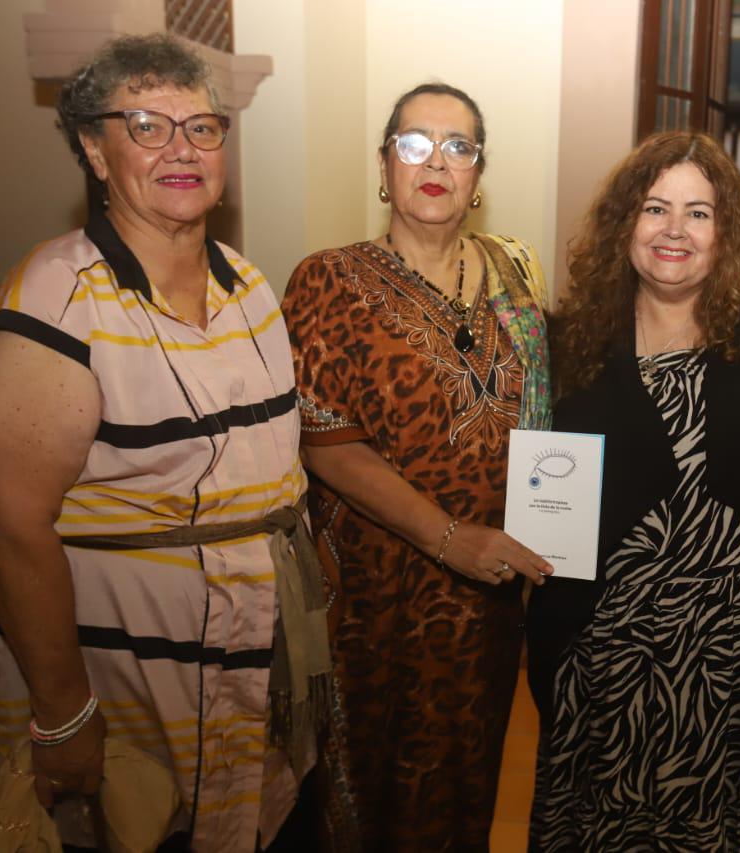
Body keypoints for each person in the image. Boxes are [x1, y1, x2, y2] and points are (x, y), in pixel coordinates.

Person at [0, 34, 335, 852]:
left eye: (202, 127)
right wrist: (64, 715)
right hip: (126, 681)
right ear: (94, 149)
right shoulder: (58, 301)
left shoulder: (247, 283)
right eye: (147, 127)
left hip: (248, 668)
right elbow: (8, 527)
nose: (181, 150)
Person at [525, 130, 740, 850]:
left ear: (726, 232)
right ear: (623, 223)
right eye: (655, 207)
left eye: (699, 213)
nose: (675, 229)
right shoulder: (564, 344)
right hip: (606, 664)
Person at [281, 82, 553, 850]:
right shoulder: (328, 279)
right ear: (384, 164)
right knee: (372, 790)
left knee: (464, 787)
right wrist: (447, 537)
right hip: (375, 596)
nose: (436, 161)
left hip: (488, 601)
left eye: (458, 146)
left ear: (478, 174)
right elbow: (326, 445)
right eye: (414, 143)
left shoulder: (516, 274)